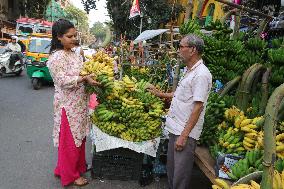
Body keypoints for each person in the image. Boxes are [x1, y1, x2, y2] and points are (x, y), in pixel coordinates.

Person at [148, 34, 212, 189]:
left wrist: (184, 136)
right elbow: (180, 95)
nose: (178, 50)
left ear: (193, 50)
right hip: (175, 127)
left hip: (185, 132)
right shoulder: (190, 71)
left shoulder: (201, 75)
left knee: (180, 175)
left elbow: (198, 107)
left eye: (181, 46)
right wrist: (159, 94)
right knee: (172, 170)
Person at [47, 19, 99, 187]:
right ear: (59, 37)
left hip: (79, 104)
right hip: (67, 106)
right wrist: (83, 78)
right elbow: (62, 80)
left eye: (75, 35)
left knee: (79, 138)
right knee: (70, 142)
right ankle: (70, 175)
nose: (73, 39)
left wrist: (89, 73)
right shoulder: (56, 58)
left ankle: (68, 168)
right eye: (69, 36)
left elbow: (83, 71)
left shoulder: (75, 53)